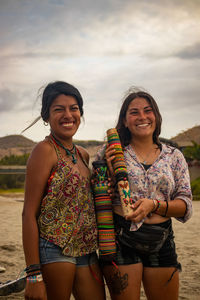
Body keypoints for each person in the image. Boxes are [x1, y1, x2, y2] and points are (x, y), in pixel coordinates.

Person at [96, 88, 192, 300]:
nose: (142, 117)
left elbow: (186, 205)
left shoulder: (173, 156)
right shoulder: (110, 151)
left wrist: (154, 205)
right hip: (120, 239)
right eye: (134, 112)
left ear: (156, 116)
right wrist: (110, 175)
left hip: (162, 239)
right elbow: (97, 195)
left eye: (147, 111)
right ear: (125, 120)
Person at [22, 81, 106, 300]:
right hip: (54, 247)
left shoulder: (82, 154)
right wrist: (33, 274)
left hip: (87, 249)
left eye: (74, 108)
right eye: (59, 109)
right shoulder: (44, 151)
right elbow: (29, 214)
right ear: (46, 116)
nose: (68, 115)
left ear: (81, 113)